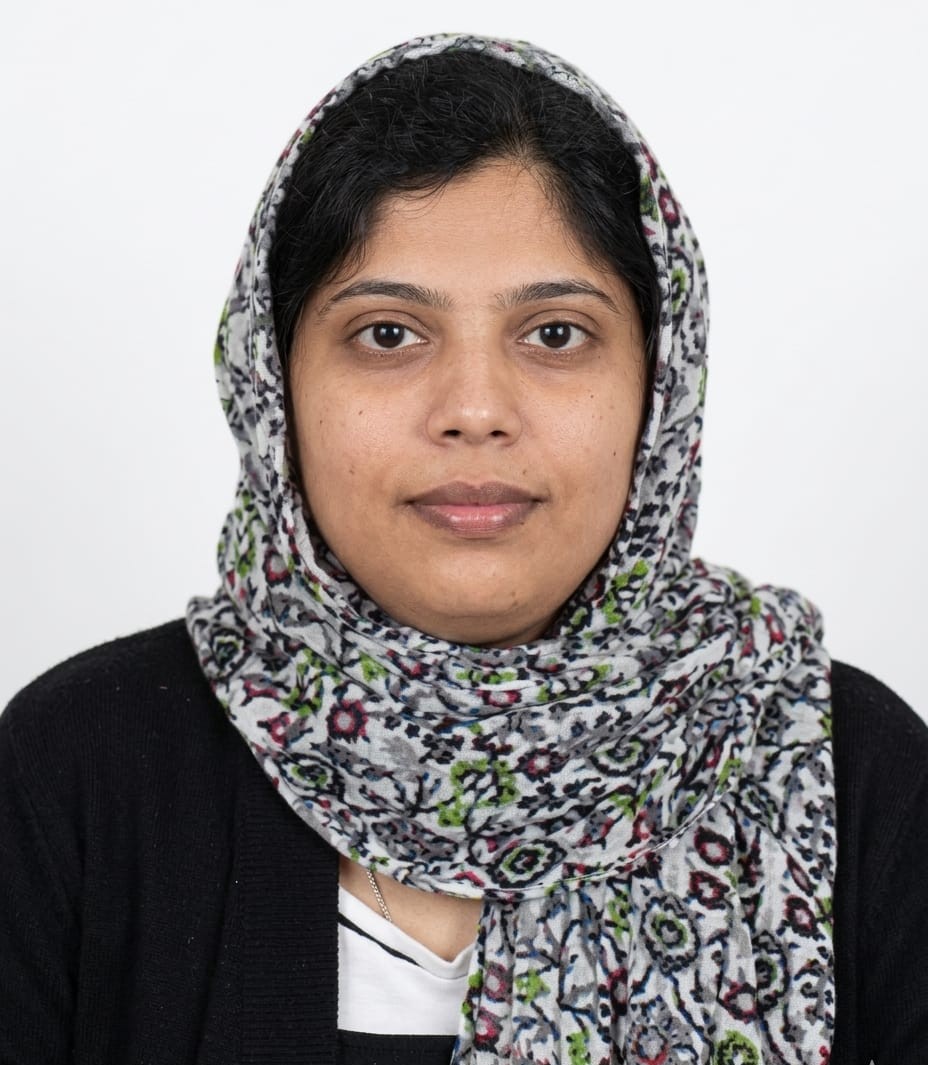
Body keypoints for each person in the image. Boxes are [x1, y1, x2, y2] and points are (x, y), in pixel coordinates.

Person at [1, 31, 926, 1065]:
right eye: (388, 333)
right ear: (273, 383)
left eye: (556, 333)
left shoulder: (848, 772)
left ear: (659, 386)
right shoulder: (77, 773)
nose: (475, 409)